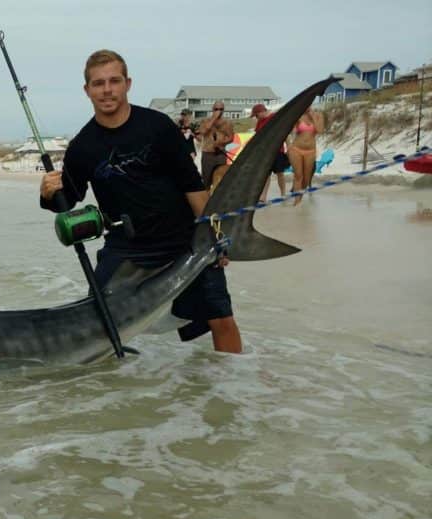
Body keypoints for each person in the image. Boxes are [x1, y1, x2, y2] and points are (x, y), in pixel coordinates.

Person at [39, 49, 242, 353]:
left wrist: (215, 237)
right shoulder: (82, 146)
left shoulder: (158, 127)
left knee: (220, 319)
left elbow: (194, 188)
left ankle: (232, 389)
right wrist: (47, 194)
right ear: (87, 90)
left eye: (114, 81)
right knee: (98, 322)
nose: (107, 90)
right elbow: (68, 201)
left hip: (183, 239)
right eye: (98, 83)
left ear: (127, 83)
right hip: (126, 247)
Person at [250, 103, 289, 201]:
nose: (256, 117)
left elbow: (285, 132)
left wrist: (288, 147)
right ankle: (263, 196)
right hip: (264, 152)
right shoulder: (259, 122)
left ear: (261, 112)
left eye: (256, 115)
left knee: (280, 173)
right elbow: (257, 136)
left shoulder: (275, 118)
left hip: (277, 150)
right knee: (266, 174)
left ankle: (283, 194)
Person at [287, 106, 324, 205]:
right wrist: (289, 145)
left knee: (306, 179)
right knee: (298, 176)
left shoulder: (318, 115)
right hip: (296, 149)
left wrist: (313, 117)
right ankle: (297, 202)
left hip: (310, 151)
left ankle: (299, 199)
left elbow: (320, 130)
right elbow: (288, 132)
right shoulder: (298, 116)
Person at [197, 100, 234, 193]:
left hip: (220, 154)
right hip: (208, 154)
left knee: (221, 179)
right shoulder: (205, 121)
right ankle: (206, 199)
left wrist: (222, 142)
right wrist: (213, 119)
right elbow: (203, 132)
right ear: (212, 109)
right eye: (216, 109)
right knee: (207, 180)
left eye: (221, 109)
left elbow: (231, 138)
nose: (219, 111)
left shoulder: (227, 122)